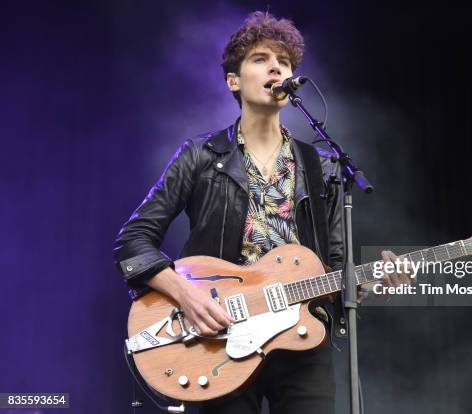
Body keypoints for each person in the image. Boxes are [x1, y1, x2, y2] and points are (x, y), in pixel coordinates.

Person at [114, 11, 410, 414]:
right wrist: (188, 296)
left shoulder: (320, 166)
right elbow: (132, 242)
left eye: (284, 62)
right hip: (220, 338)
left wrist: (369, 283)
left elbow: (334, 268)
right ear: (233, 80)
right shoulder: (200, 156)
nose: (276, 67)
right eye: (260, 59)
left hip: (302, 343)